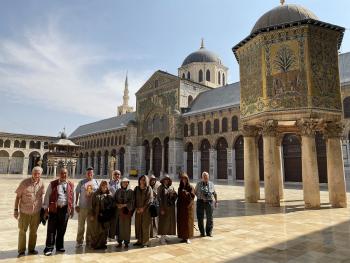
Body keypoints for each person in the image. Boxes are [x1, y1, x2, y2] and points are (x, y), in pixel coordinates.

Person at [14, 166, 45, 257]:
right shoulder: (24, 183)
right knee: (22, 231)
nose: (36, 175)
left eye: (38, 173)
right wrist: (16, 210)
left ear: (40, 174)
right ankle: (21, 251)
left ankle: (31, 249)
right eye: (35, 173)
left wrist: (43, 210)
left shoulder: (42, 183)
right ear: (32, 173)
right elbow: (17, 197)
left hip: (36, 212)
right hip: (24, 212)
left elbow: (41, 197)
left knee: (34, 232)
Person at [43, 168, 74, 256]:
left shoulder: (70, 184)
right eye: (62, 173)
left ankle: (59, 246)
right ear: (58, 174)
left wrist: (72, 209)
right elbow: (47, 197)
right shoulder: (53, 184)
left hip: (65, 210)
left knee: (62, 229)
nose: (64, 175)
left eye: (65, 173)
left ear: (68, 174)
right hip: (54, 209)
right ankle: (49, 248)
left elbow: (72, 197)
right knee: (51, 229)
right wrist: (46, 210)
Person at [75, 167, 99, 248]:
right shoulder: (81, 182)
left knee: (90, 226)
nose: (90, 174)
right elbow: (77, 193)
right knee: (81, 226)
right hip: (82, 207)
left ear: (93, 174)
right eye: (88, 173)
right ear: (86, 174)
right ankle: (79, 241)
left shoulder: (96, 182)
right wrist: (76, 204)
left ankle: (88, 241)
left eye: (91, 173)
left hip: (92, 208)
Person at [90, 181, 115, 250]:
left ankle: (103, 244)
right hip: (97, 215)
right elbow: (92, 205)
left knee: (105, 230)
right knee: (97, 230)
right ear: (100, 186)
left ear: (107, 187)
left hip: (106, 216)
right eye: (103, 185)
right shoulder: (95, 194)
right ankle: (95, 244)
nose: (104, 187)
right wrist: (92, 214)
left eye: (105, 186)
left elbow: (112, 206)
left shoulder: (110, 194)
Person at [195, 171, 218, 237]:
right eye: (204, 177)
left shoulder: (211, 184)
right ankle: (202, 232)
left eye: (206, 177)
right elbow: (195, 192)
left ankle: (209, 232)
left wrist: (216, 201)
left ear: (208, 177)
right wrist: (200, 197)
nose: (205, 178)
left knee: (210, 218)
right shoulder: (198, 184)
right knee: (200, 218)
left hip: (209, 202)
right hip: (200, 202)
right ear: (202, 177)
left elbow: (215, 193)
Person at [157, 174, 178, 245]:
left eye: (168, 180)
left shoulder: (171, 187)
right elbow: (159, 198)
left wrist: (173, 194)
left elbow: (175, 196)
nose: (166, 181)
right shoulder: (160, 188)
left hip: (170, 208)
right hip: (164, 208)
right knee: (163, 223)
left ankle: (165, 236)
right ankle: (162, 238)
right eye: (165, 180)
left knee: (168, 223)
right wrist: (161, 208)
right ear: (163, 180)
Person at [134, 175, 153, 248]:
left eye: (144, 180)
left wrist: (143, 208)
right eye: (141, 179)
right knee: (138, 225)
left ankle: (145, 242)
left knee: (145, 226)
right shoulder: (137, 188)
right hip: (138, 210)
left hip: (146, 211)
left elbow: (150, 199)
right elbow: (133, 199)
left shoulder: (149, 188)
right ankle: (139, 240)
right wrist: (136, 208)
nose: (142, 181)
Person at [115, 177, 134, 248]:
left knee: (126, 228)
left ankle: (126, 242)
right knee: (119, 228)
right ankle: (119, 242)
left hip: (127, 213)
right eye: (123, 182)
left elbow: (132, 202)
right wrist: (117, 205)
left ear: (128, 183)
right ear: (121, 183)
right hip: (119, 213)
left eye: (126, 182)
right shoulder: (118, 191)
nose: (125, 183)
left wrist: (124, 205)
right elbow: (114, 200)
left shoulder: (130, 192)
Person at [177, 172, 195, 244]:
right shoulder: (180, 187)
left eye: (185, 179)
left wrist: (187, 193)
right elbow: (179, 197)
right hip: (181, 208)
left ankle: (187, 237)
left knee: (188, 222)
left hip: (188, 208)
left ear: (187, 179)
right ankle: (182, 237)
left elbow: (192, 196)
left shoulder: (190, 187)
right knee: (182, 222)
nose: (183, 180)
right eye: (182, 179)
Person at [108, 170, 121, 241]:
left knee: (119, 221)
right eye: (115, 174)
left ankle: (118, 235)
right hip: (112, 205)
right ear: (113, 175)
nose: (117, 176)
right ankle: (110, 236)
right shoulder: (109, 183)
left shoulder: (122, 184)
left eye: (118, 174)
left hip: (119, 205)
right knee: (112, 220)